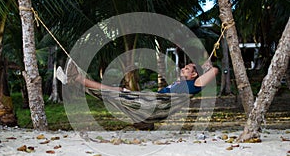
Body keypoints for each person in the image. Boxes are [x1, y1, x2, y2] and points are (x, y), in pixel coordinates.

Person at [58, 59, 219, 94]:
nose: (183, 70)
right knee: (116, 90)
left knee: (116, 91)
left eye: (186, 69)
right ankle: (76, 79)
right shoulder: (181, 83)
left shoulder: (195, 83)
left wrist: (206, 67)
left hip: (153, 103)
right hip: (151, 100)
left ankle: (76, 79)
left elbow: (215, 71)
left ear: (194, 74)